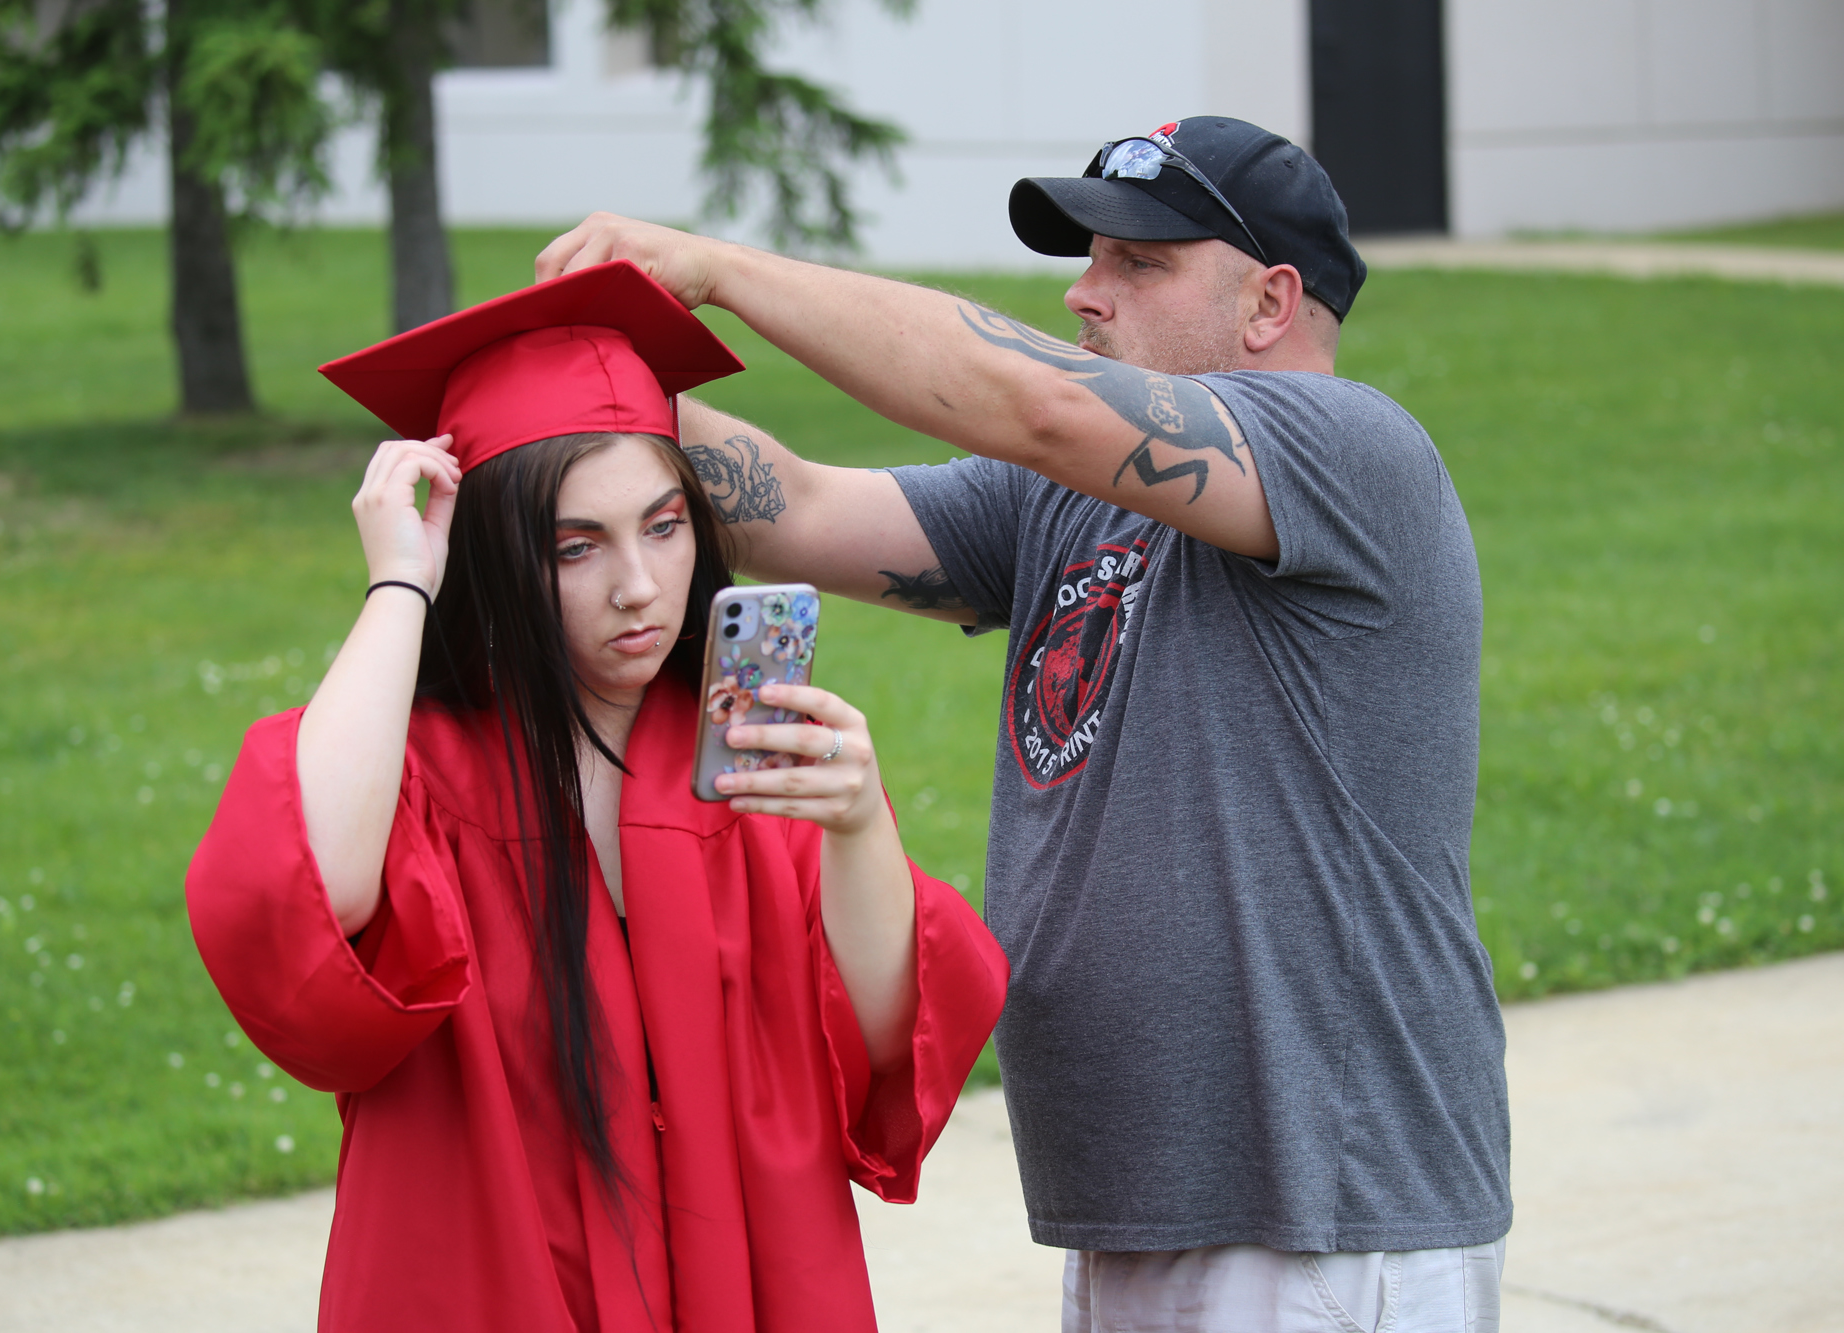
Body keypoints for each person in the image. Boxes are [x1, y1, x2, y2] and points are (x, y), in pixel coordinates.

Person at [536, 116, 1512, 1331]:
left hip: (1323, 1214)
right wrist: (557, 379)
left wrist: (720, 271)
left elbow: (1035, 400)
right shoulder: (1069, 503)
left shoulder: (1354, 452)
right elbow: (798, 511)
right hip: (1138, 1209)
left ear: (1269, 302)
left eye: (1137, 265)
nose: (1083, 293)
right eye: (1089, 257)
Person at [184, 260, 1007, 1333]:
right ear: (488, 554)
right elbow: (308, 898)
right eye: (576, 546)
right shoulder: (425, 770)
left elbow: (883, 1041)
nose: (638, 585)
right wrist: (399, 582)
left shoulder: (746, 763)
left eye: (664, 527)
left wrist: (854, 831)